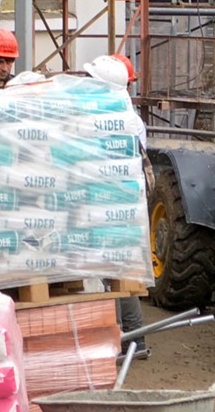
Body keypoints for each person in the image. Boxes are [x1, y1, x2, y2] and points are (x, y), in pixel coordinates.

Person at [79, 53, 149, 359]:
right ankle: (135, 342)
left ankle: (129, 342)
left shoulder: (116, 120)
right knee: (117, 274)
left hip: (112, 204)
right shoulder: (126, 116)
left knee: (112, 273)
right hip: (120, 204)